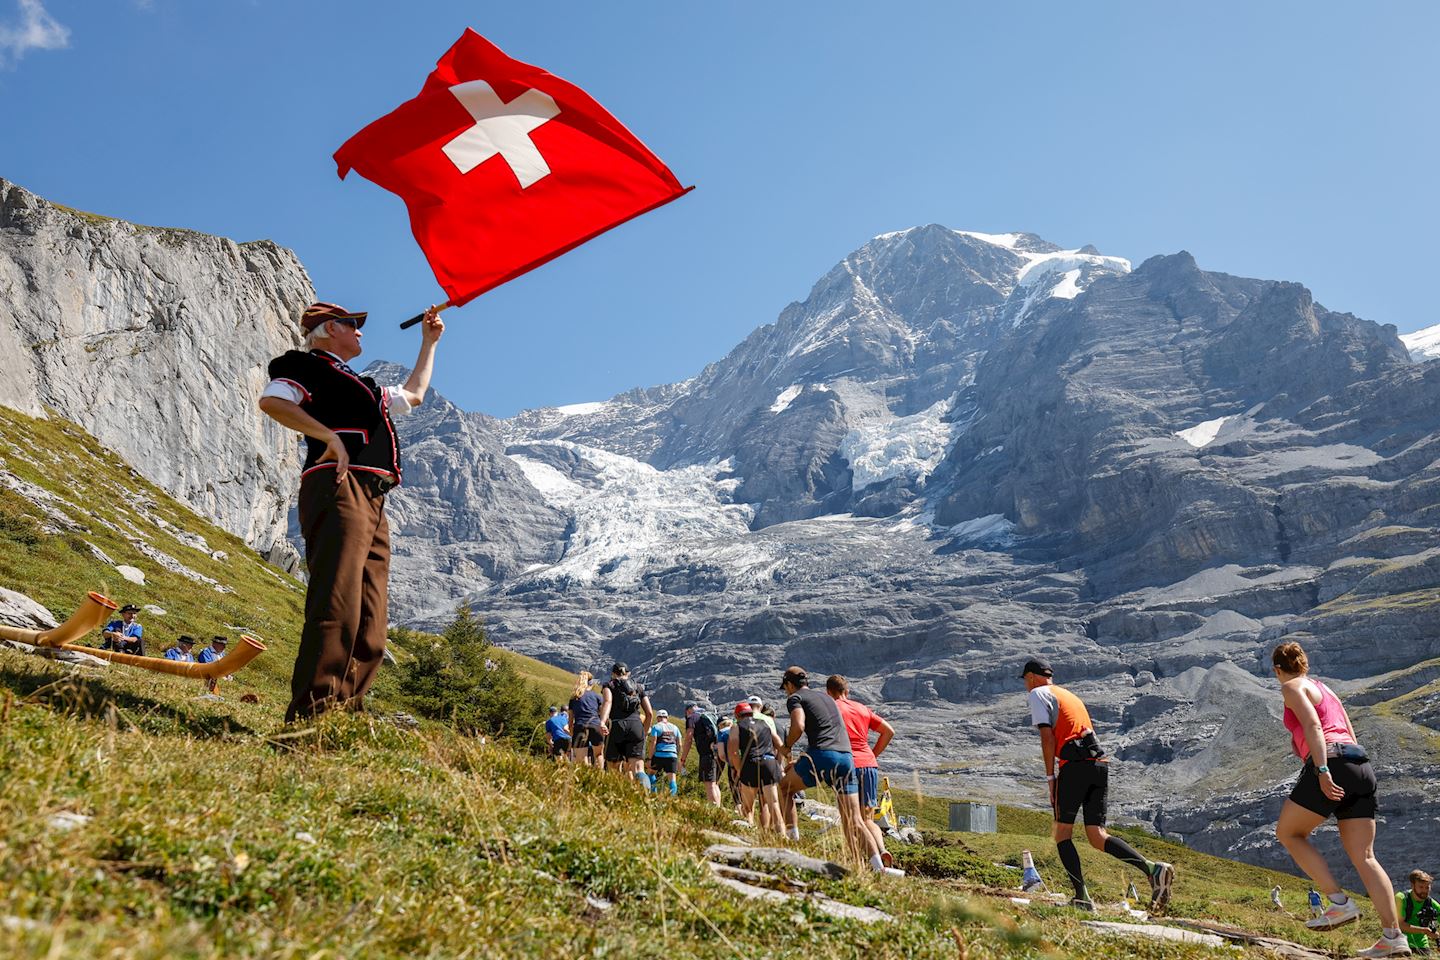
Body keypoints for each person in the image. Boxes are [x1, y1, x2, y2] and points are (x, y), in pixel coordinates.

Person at [259, 300, 444, 723]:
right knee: (337, 605)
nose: (360, 332)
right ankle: (310, 719)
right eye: (351, 325)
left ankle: (341, 718)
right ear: (326, 331)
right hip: (339, 487)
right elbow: (272, 401)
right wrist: (329, 437)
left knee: (372, 624)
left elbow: (413, 394)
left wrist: (428, 343)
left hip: (374, 498)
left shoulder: (361, 384)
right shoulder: (305, 366)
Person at [1270, 641, 1408, 957]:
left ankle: (1338, 903)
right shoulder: (1325, 689)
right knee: (1366, 856)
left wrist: (1321, 769)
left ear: (1278, 670)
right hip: (1360, 764)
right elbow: (1347, 732)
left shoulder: (1292, 686)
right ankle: (1393, 937)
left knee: (1289, 833)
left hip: (1331, 760)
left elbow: (1313, 725)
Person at [1022, 657, 1174, 912]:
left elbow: (1047, 737)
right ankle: (1152, 869)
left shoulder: (1038, 693)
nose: (1026, 686)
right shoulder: (1068, 695)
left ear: (1031, 677)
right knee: (1096, 835)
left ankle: (1082, 897)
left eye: (1026, 681)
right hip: (1099, 764)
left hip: (1074, 765)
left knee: (1062, 834)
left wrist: (1051, 778)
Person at [776, 666, 882, 872]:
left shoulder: (795, 698)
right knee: (855, 819)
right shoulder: (827, 699)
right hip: (846, 758)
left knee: (785, 788)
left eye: (786, 687)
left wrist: (787, 746)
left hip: (822, 755)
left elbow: (798, 725)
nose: (786, 691)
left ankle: (792, 842)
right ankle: (878, 868)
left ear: (789, 684)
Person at [826, 674, 898, 870]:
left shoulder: (831, 708)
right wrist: (873, 754)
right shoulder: (862, 708)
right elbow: (888, 731)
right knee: (867, 818)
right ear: (846, 692)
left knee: (850, 819)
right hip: (868, 764)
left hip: (846, 764)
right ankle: (882, 851)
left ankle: (856, 862)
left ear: (828, 692)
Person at [728, 701, 784, 833]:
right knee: (774, 804)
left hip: (750, 764)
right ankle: (781, 836)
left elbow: (734, 753)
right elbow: (780, 744)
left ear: (737, 716)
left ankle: (749, 834)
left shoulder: (736, 727)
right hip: (769, 763)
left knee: (748, 807)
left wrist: (739, 770)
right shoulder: (765, 723)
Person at [597, 662, 653, 789]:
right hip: (636, 726)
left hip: (617, 726)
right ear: (628, 673)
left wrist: (602, 721)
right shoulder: (638, 687)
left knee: (614, 767)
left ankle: (617, 799)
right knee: (638, 768)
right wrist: (643, 733)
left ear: (613, 674)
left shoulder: (609, 685)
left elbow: (607, 702)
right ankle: (646, 798)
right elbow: (649, 713)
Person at [679, 704, 722, 805]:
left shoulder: (692, 718)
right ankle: (719, 809)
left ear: (688, 711)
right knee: (715, 784)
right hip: (718, 753)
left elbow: (689, 739)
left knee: (709, 784)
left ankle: (714, 811)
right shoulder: (707, 717)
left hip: (707, 755)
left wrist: (682, 759)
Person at [568, 671, 604, 767]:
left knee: (581, 758)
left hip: (580, 726)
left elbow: (571, 718)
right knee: (599, 754)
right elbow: (602, 714)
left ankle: (585, 779)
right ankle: (599, 778)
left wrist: (571, 730)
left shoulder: (574, 698)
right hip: (595, 725)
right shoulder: (597, 697)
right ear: (591, 684)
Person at [1398, 870, 1439, 955]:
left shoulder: (1430, 902)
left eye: (1427, 887)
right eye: (1421, 887)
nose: (1424, 891)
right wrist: (1425, 931)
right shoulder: (1401, 898)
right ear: (1413, 886)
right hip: (1399, 942)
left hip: (1421, 944)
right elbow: (1400, 925)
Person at [647, 709, 682, 796]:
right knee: (672, 779)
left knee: (651, 773)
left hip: (659, 754)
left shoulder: (656, 727)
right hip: (672, 755)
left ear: (658, 718)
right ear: (667, 717)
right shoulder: (675, 728)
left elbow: (653, 742)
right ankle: (671, 799)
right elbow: (680, 744)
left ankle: (653, 794)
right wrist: (676, 755)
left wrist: (650, 758)